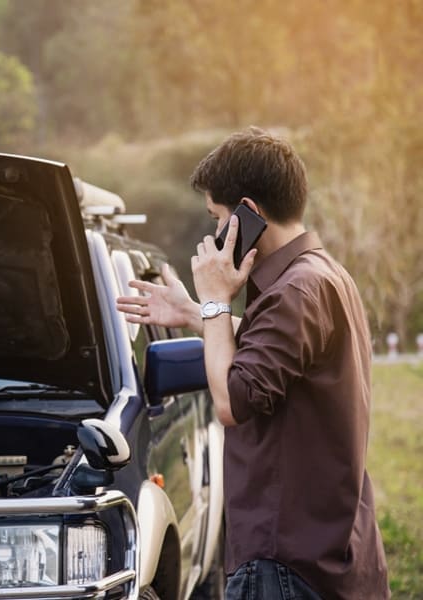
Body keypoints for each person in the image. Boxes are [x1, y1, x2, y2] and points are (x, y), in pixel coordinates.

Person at [117, 127, 389, 600]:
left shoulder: (294, 291)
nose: (216, 233)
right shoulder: (319, 277)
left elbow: (232, 401)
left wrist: (216, 299)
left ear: (249, 213)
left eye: (217, 218)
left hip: (286, 566)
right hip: (324, 556)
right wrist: (195, 314)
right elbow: (274, 354)